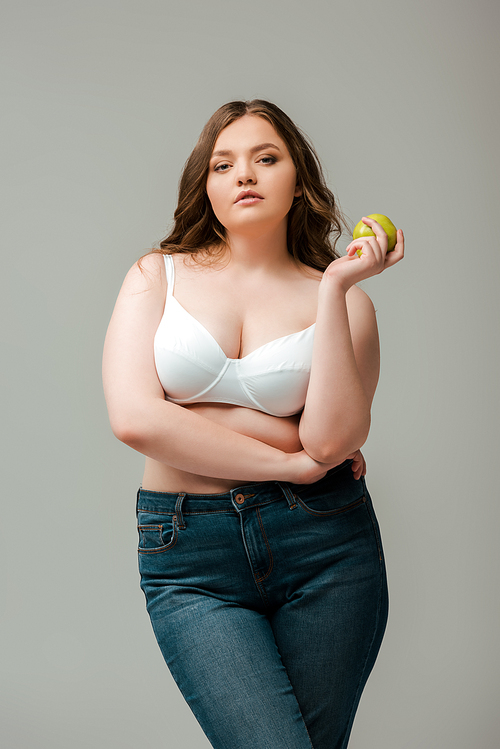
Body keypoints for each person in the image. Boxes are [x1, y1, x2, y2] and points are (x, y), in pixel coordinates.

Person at [102, 99, 404, 749]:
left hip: (327, 547)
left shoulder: (347, 302)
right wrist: (288, 457)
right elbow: (133, 417)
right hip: (190, 554)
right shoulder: (157, 277)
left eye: (266, 158)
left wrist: (336, 287)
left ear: (299, 179)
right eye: (223, 163)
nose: (244, 174)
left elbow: (330, 440)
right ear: (204, 185)